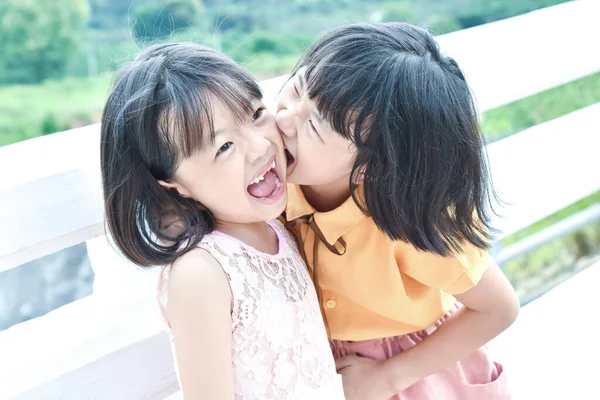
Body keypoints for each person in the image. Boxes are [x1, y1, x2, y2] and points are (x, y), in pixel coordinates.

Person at [276, 22, 519, 399]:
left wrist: (389, 376)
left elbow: (499, 308)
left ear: (370, 166)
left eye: (316, 125)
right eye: (295, 89)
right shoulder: (267, 190)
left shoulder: (406, 221)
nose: (285, 118)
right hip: (318, 371)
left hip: (411, 373)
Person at [100, 42, 344, 399]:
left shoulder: (277, 224)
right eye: (224, 147)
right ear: (172, 182)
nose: (260, 146)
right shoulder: (203, 273)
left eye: (256, 114)